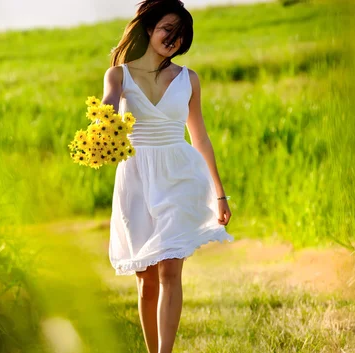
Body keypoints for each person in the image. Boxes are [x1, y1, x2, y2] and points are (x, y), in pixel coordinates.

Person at [102, 0, 234, 352]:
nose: (173, 40)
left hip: (178, 176)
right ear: (149, 28)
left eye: (180, 35)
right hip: (136, 180)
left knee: (170, 271)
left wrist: (219, 194)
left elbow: (200, 136)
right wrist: (104, 123)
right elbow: (108, 105)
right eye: (167, 30)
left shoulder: (189, 79)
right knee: (146, 282)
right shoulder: (119, 74)